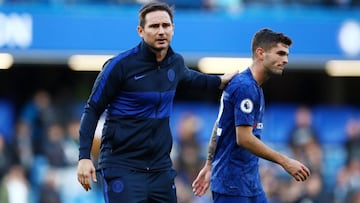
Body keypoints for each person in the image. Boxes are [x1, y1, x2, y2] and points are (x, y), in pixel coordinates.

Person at [76, 1, 237, 203]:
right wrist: (84, 157)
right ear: (140, 31)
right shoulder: (120, 66)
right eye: (154, 26)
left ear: (173, 29)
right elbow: (92, 109)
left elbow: (193, 78)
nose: (161, 31)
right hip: (122, 167)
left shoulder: (175, 63)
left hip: (160, 170)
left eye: (165, 26)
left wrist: (220, 81)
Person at [192, 28, 311, 203]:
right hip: (232, 186)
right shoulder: (245, 87)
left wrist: (209, 165)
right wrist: (285, 161)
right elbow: (244, 138)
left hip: (250, 183)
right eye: (280, 53)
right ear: (260, 53)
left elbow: (219, 125)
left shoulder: (253, 87)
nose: (285, 60)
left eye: (287, 55)